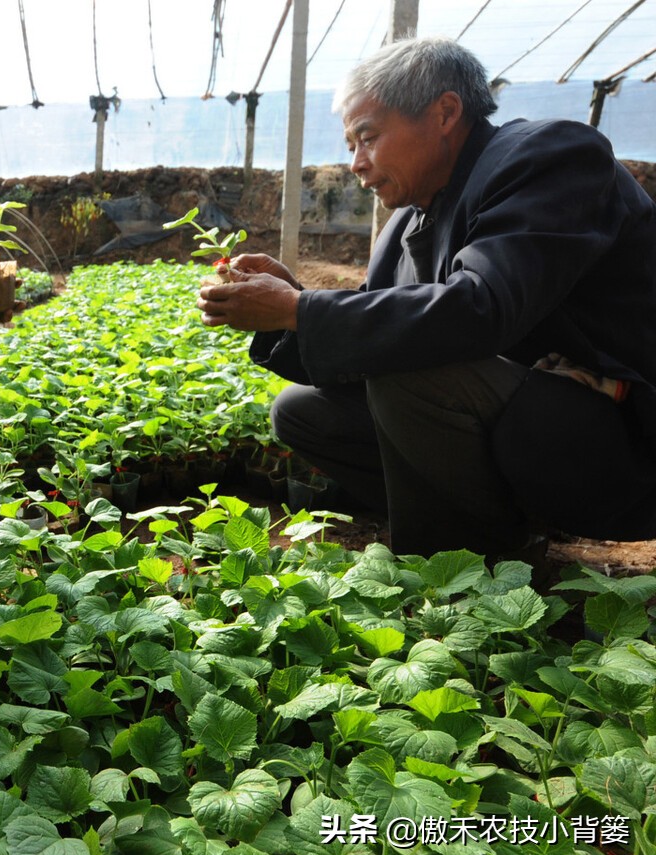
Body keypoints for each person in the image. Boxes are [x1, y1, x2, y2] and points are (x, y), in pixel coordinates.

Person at [196, 36, 656, 562]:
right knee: (301, 412)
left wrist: (298, 309)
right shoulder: (408, 222)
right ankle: (499, 530)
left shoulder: (548, 158)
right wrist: (292, 306)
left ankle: (458, 576)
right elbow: (377, 334)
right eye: (350, 145)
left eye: (367, 137)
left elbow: (481, 307)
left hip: (616, 436)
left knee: (411, 366)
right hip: (532, 419)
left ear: (445, 112)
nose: (356, 163)